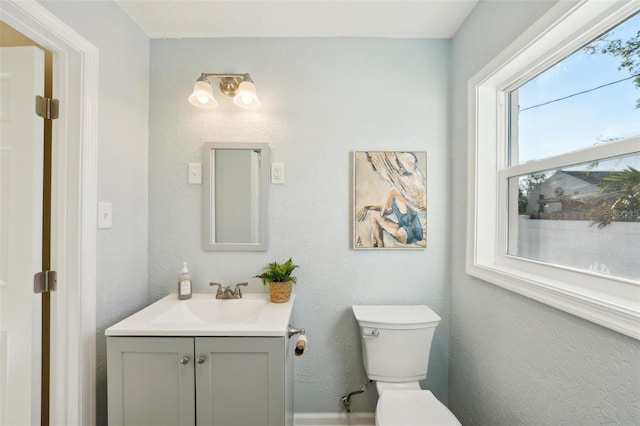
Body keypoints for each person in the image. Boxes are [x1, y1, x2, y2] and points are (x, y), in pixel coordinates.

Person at [356, 152, 426, 247]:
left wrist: (369, 208)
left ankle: (378, 246)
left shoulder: (394, 190)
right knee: (376, 215)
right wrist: (369, 207)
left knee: (374, 215)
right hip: (418, 233)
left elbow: (385, 211)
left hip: (405, 234)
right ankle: (376, 244)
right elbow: (392, 209)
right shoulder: (410, 189)